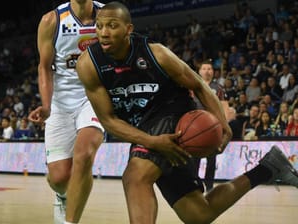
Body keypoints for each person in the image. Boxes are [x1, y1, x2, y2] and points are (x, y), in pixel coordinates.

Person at [76, 2, 298, 223]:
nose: (103, 33)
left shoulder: (156, 54)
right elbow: (108, 120)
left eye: (112, 26)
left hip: (173, 113)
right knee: (198, 214)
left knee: (135, 177)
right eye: (99, 26)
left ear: (128, 29)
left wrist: (223, 125)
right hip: (143, 127)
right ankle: (269, 168)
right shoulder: (89, 64)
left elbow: (199, 85)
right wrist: (152, 141)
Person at [27, 1, 105, 224]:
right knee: (60, 178)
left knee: (85, 154)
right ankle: (62, 195)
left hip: (94, 97)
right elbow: (44, 66)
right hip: (60, 103)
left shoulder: (107, 15)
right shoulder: (51, 21)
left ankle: (70, 222)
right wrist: (46, 104)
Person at [192, 60, 230, 191]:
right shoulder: (193, 86)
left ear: (213, 72)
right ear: (199, 71)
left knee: (211, 158)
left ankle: (209, 186)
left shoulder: (218, 88)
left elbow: (225, 108)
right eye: (204, 68)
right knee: (194, 157)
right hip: (196, 127)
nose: (207, 71)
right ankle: (195, 184)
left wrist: (224, 126)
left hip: (214, 127)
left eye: (209, 69)